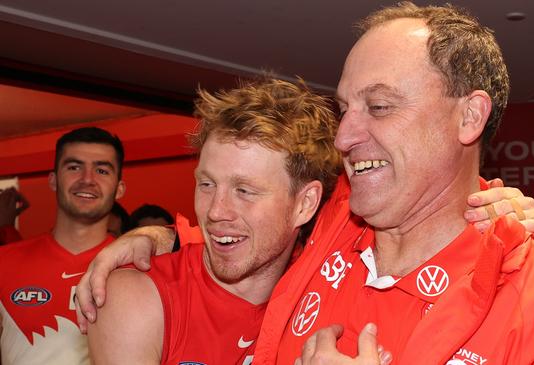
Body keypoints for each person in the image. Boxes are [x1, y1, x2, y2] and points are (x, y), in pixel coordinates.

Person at [251, 3, 534, 364]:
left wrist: (509, 254)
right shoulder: (320, 223)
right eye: (344, 109)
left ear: (469, 117)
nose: (343, 138)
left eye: (380, 107)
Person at [87, 79, 343, 364]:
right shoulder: (140, 297)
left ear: (305, 204)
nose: (215, 211)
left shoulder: (323, 295)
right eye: (207, 184)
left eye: (244, 191)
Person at [0, 127, 125, 365]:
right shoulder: (4, 261)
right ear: (53, 180)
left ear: (119, 188)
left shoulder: (138, 268)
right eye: (74, 167)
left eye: (101, 170)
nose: (87, 179)